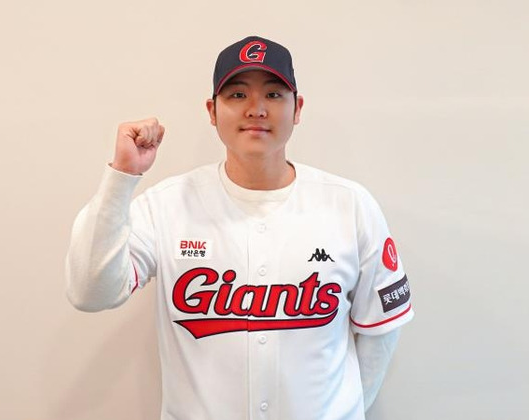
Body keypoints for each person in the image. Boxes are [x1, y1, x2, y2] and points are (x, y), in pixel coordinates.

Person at [66, 35, 413, 420]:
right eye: (236, 95)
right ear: (212, 111)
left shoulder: (350, 205)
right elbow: (90, 292)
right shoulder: (167, 205)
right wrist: (123, 176)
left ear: (297, 108)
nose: (256, 109)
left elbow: (380, 334)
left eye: (274, 95)